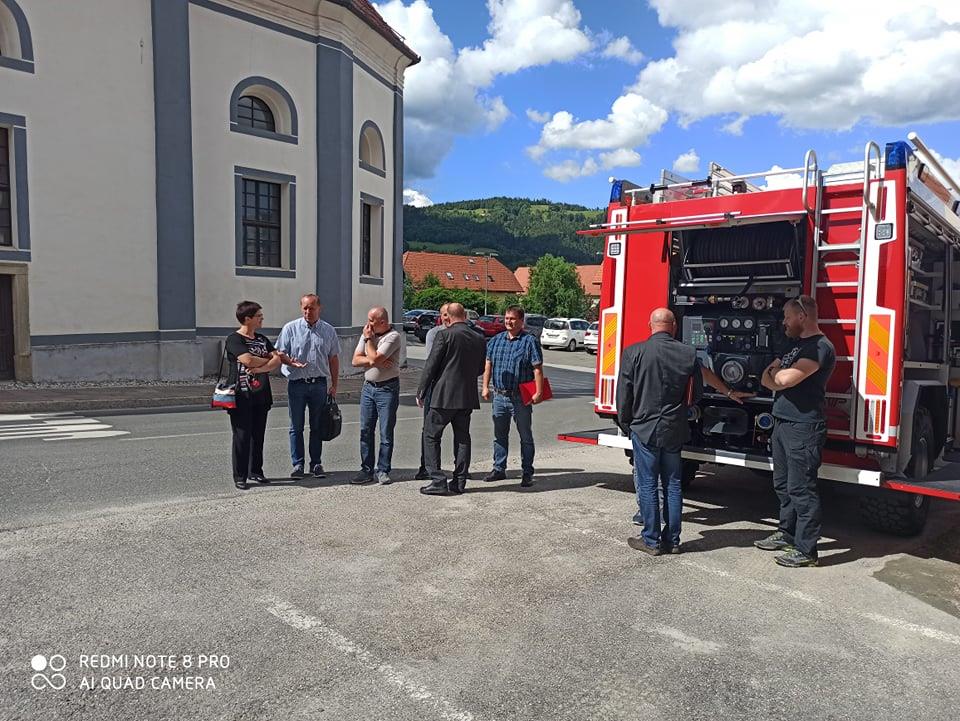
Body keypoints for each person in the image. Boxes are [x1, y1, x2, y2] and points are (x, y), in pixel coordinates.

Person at [618, 308, 751, 555]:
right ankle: (673, 540)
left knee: (648, 484)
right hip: (674, 427)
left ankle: (650, 540)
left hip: (644, 427)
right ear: (674, 327)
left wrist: (627, 423)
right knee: (673, 483)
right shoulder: (688, 354)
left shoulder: (634, 352)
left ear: (650, 325)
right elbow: (696, 394)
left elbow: (624, 395)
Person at [756, 295, 836, 568]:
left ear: (802, 317)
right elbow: (768, 378)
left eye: (788, 317)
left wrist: (776, 375)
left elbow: (785, 379)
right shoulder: (796, 346)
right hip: (783, 422)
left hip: (804, 427)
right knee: (782, 484)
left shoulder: (819, 348)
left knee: (802, 489)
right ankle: (786, 534)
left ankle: (806, 550)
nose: (784, 322)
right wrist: (775, 376)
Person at [225, 301, 305, 489]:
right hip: (241, 394)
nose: (262, 318)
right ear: (247, 319)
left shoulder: (261, 338)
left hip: (261, 394)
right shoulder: (234, 339)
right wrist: (267, 361)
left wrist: (262, 367)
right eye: (258, 316)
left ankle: (256, 471)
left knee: (258, 435)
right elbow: (247, 360)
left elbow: (276, 359)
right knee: (242, 436)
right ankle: (240, 475)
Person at [417, 303, 487, 496]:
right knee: (462, 437)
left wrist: (421, 390)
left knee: (431, 435)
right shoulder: (479, 338)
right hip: (466, 396)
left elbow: (431, 365)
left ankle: (437, 480)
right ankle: (459, 481)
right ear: (464, 315)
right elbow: (480, 368)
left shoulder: (444, 335)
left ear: (449, 315)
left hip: (444, 395)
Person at [275, 294, 340, 479]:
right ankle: (298, 464)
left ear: (319, 308)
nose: (308, 312)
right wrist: (290, 362)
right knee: (296, 426)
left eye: (311, 308)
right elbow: (279, 353)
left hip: (319, 384)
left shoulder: (328, 330)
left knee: (317, 425)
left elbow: (333, 358)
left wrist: (334, 384)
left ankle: (316, 463)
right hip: (297, 384)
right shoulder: (290, 328)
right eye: (305, 308)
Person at [481, 304, 544, 487]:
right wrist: (485, 387)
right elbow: (488, 364)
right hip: (500, 396)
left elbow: (537, 368)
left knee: (525, 436)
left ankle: (527, 472)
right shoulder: (496, 340)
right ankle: (499, 469)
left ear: (521, 321)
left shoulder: (529, 341)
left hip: (521, 397)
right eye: (507, 318)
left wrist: (539, 392)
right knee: (499, 435)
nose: (508, 321)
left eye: (513, 318)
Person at [351, 307, 402, 485]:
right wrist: (375, 359)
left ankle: (383, 470)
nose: (368, 324)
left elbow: (373, 359)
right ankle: (366, 469)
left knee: (386, 432)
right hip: (368, 388)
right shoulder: (367, 334)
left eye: (372, 321)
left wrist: (370, 347)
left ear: (383, 322)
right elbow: (355, 360)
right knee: (365, 430)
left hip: (387, 389)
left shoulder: (393, 337)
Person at [415, 303, 451, 480]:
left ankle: (461, 470)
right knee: (429, 429)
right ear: (440, 316)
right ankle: (427, 467)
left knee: (460, 431)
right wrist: (422, 389)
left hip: (453, 388)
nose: (447, 318)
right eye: (444, 314)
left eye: (449, 314)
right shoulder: (434, 334)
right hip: (434, 386)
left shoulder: (464, 333)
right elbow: (431, 362)